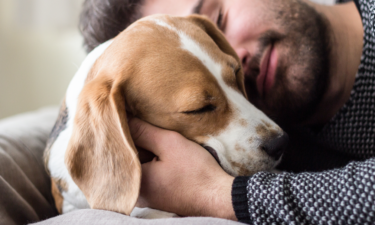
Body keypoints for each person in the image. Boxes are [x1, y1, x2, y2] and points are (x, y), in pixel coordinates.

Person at [80, 0, 375, 224]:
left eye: (218, 20)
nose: (231, 56)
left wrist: (224, 196)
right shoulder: (267, 141)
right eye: (198, 104)